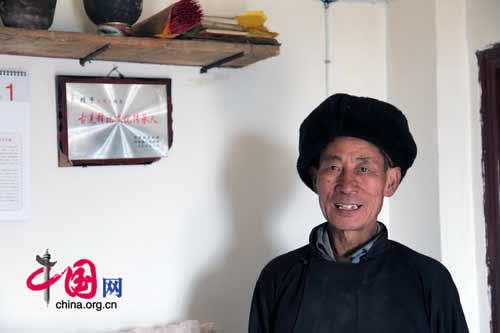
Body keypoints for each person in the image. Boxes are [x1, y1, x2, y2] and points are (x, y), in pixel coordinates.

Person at [248, 94, 469, 333]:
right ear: (315, 178)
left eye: (363, 168)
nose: (347, 184)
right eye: (333, 167)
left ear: (391, 182)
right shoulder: (278, 278)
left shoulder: (428, 280)